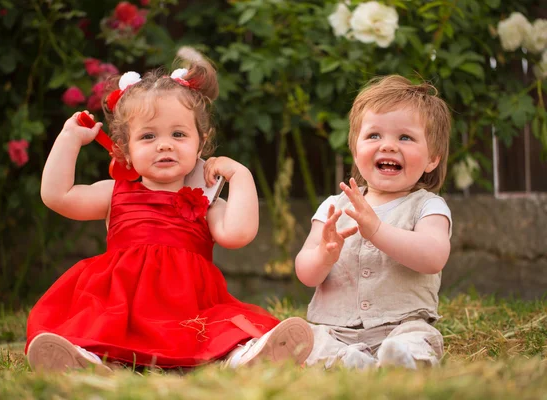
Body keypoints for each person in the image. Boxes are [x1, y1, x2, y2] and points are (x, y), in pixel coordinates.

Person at [26, 47, 313, 372]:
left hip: (190, 312)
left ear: (200, 143)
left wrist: (240, 175)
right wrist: (68, 139)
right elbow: (57, 195)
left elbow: (239, 234)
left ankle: (244, 357)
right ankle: (89, 359)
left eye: (178, 134)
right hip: (123, 310)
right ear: (125, 150)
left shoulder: (205, 202)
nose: (165, 144)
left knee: (223, 330)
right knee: (94, 325)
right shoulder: (114, 194)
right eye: (148, 136)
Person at [295, 75, 452, 370]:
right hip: (335, 329)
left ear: (432, 158)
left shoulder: (428, 206)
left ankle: (399, 360)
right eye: (374, 136)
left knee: (418, 339)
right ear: (355, 150)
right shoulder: (333, 206)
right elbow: (306, 273)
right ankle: (349, 361)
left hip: (401, 324)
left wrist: (378, 230)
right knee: (311, 340)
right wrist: (324, 254)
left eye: (405, 137)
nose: (389, 146)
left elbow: (433, 257)